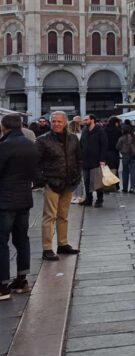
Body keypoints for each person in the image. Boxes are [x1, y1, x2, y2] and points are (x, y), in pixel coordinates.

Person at [0, 114, 41, 299]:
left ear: (4, 127)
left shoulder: (4, 146)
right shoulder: (30, 146)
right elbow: (37, 175)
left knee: (1, 242)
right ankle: (22, 279)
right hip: (24, 199)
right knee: (22, 239)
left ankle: (2, 286)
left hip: (5, 200)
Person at [36, 111, 81, 261]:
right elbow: (34, 163)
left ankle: (62, 243)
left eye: (59, 121)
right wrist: (43, 180)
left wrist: (77, 175)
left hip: (68, 182)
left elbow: (78, 158)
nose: (56, 124)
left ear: (65, 123)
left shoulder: (73, 139)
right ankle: (47, 248)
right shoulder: (42, 140)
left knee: (63, 215)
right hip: (52, 182)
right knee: (49, 216)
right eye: (54, 121)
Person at [79, 114, 108, 207]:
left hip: (96, 161)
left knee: (97, 182)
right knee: (86, 181)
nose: (84, 121)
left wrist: (102, 159)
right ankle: (88, 199)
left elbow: (104, 146)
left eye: (86, 119)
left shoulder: (100, 131)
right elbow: (81, 144)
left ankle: (99, 200)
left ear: (92, 120)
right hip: (85, 160)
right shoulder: (84, 130)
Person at [116, 123, 135, 194]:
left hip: (125, 156)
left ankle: (125, 188)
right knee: (133, 172)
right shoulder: (134, 137)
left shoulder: (122, 138)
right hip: (134, 155)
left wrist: (121, 150)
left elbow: (117, 147)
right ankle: (133, 188)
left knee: (125, 172)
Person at [105, 117, 122, 187]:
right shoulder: (118, 131)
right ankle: (116, 185)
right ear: (116, 122)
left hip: (106, 152)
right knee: (115, 168)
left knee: (108, 169)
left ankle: (109, 184)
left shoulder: (104, 130)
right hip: (115, 152)